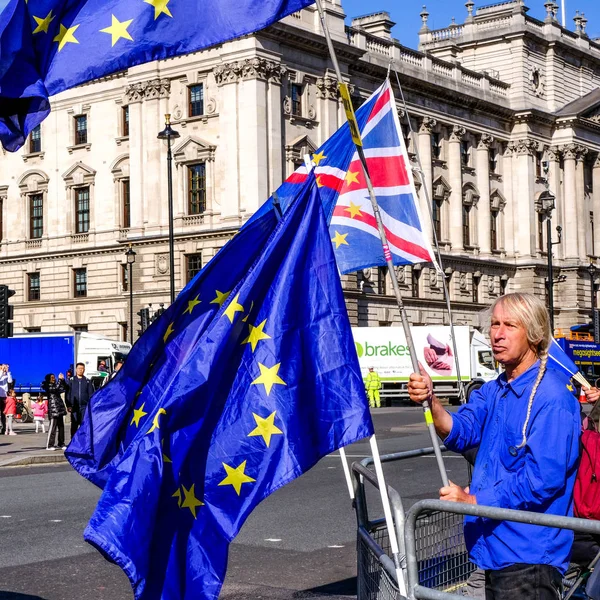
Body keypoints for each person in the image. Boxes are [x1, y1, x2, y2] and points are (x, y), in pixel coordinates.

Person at [408, 293, 581, 600]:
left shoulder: (552, 398)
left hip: (529, 557)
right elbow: (462, 429)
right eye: (494, 324)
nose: (497, 334)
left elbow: (542, 480)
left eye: (509, 325)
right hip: (492, 550)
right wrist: (431, 400)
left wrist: (475, 501)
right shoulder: (495, 389)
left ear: (534, 333)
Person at [66, 362, 94, 437]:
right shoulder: (71, 381)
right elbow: (68, 393)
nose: (80, 370)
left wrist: (90, 405)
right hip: (74, 407)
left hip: (84, 407)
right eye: (79, 368)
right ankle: (73, 442)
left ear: (84, 370)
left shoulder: (88, 381)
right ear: (76, 369)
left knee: (84, 424)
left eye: (82, 369)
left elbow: (91, 394)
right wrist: (68, 405)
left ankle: (83, 442)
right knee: (74, 425)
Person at [42, 373, 67, 450]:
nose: (54, 379)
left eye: (54, 377)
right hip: (53, 409)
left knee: (61, 427)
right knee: (53, 427)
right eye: (52, 377)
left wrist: (62, 381)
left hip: (59, 408)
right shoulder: (48, 386)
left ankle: (61, 443)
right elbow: (55, 389)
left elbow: (62, 389)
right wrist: (59, 380)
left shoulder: (56, 384)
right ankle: (49, 445)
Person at [0, 363, 12, 434]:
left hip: (5, 397)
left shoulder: (6, 375)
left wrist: (8, 371)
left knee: (3, 413)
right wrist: (1, 371)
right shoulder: (0, 374)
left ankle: (4, 428)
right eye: (1, 367)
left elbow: (10, 381)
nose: (3, 369)